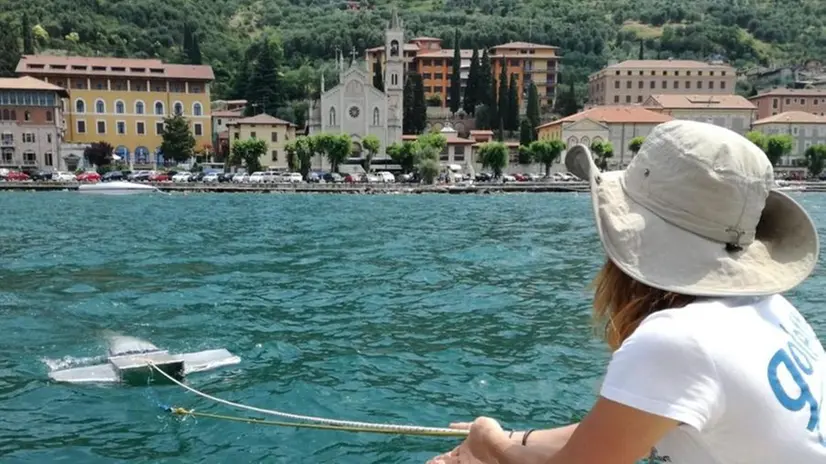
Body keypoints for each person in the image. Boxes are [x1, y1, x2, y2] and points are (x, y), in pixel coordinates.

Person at [428, 120, 825, 464]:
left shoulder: (677, 340)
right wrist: (514, 442)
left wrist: (490, 442)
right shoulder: (769, 310)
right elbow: (621, 430)